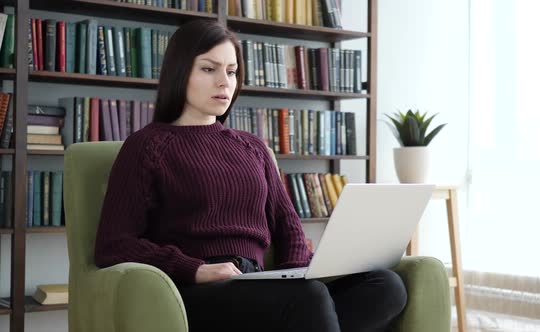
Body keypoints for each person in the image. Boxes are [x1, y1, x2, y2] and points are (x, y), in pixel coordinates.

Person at [94, 20, 407, 332]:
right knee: (308, 299)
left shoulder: (252, 147)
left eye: (231, 71)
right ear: (180, 71)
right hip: (195, 291)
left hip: (260, 285)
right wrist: (195, 269)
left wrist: (297, 274)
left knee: (386, 285)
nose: (224, 82)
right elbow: (114, 244)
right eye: (209, 69)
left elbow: (290, 230)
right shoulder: (147, 146)